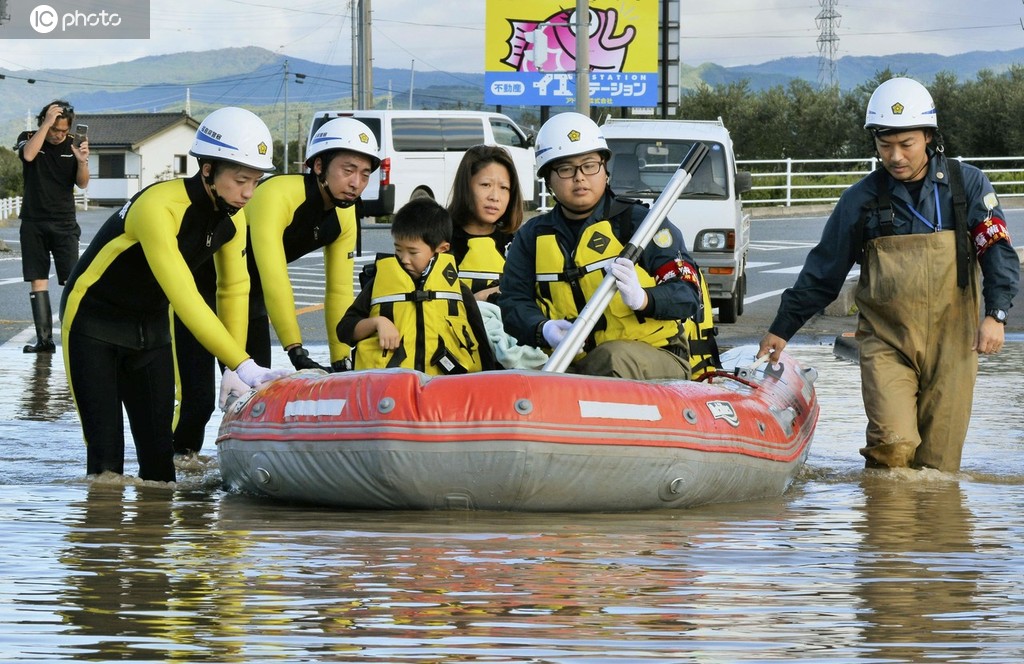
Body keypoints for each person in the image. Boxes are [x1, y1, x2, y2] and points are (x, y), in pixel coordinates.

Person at [757, 77, 1020, 473]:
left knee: (939, 466)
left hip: (955, 340)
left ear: (929, 137)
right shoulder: (860, 200)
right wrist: (782, 327)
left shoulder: (967, 186)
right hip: (886, 340)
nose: (895, 156)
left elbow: (996, 251)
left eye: (906, 144)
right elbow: (824, 271)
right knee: (893, 445)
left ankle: (933, 534)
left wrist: (995, 314)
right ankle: (885, 529)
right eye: (885, 145)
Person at [60, 107, 288, 483]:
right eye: (241, 179)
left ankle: (153, 540)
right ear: (209, 169)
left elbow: (233, 289)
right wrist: (245, 363)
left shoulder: (234, 216)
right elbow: (183, 294)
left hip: (150, 329)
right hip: (92, 324)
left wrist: (232, 367)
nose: (249, 192)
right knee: (107, 471)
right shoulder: (158, 207)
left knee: (160, 471)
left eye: (256, 182)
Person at [170, 117, 379, 456]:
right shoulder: (278, 195)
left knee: (252, 399)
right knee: (198, 402)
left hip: (249, 302)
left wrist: (341, 361)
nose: (356, 183)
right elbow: (273, 274)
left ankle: (232, 479)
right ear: (319, 165)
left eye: (365, 174)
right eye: (348, 170)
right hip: (200, 296)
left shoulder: (344, 215)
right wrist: (296, 351)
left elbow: (338, 292)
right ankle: (173, 480)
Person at [498, 111, 718, 380]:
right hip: (568, 359)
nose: (579, 177)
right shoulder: (531, 237)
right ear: (548, 179)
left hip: (656, 354)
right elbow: (513, 303)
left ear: (604, 169)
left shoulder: (642, 224)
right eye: (565, 169)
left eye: (589, 165)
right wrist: (543, 328)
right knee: (522, 378)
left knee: (610, 359)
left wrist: (645, 299)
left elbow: (687, 294)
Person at [337, 197, 496, 374]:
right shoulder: (380, 284)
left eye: (413, 252)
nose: (404, 259)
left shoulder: (458, 292)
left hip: (445, 392)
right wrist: (377, 322)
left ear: (442, 249)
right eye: (398, 249)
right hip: (390, 392)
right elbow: (344, 330)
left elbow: (483, 348)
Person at [16, 100, 89, 353]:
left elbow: (83, 184)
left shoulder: (74, 145)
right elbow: (28, 155)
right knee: (37, 280)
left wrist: (81, 161)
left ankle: (76, 341)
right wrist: (46, 124)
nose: (58, 135)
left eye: (62, 130)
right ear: (43, 123)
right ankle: (44, 341)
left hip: (65, 223)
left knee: (72, 282)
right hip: (33, 222)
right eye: (54, 129)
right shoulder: (28, 137)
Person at [447, 144, 525, 303]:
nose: (495, 197)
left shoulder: (520, 243)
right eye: (485, 185)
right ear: (465, 185)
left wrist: (483, 296)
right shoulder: (439, 238)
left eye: (504, 188)